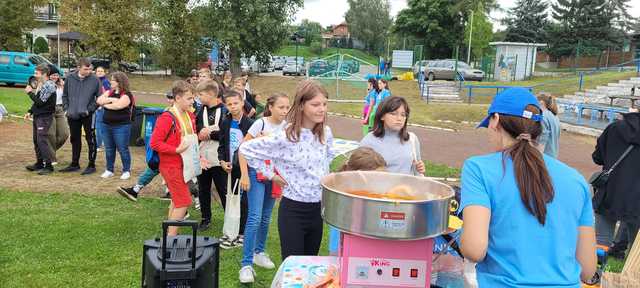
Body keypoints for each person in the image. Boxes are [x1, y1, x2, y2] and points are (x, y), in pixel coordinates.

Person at [459, 87, 597, 287]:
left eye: (488, 123)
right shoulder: (576, 180)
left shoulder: (478, 169)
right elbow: (587, 270)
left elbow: (474, 250)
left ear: (495, 120)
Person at [240, 80, 334, 262]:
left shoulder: (326, 132)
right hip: (294, 211)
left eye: (324, 104)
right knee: (293, 267)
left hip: (317, 210)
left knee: (309, 264)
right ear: (301, 105)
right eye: (315, 104)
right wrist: (271, 174)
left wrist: (324, 176)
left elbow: (329, 155)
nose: (322, 109)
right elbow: (246, 149)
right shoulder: (286, 136)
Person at [237, 93, 290, 283]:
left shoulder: (287, 127)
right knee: (255, 217)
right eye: (281, 107)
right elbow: (243, 149)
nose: (285, 111)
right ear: (271, 106)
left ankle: (259, 252)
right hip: (255, 173)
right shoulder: (259, 124)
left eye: (287, 108)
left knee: (266, 217)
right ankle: (246, 264)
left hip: (274, 175)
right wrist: (244, 174)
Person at [150, 81, 197, 236]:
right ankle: (170, 240)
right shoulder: (167, 118)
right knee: (184, 201)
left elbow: (191, 139)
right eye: (189, 98)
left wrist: (198, 157)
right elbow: (155, 143)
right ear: (177, 98)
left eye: (193, 98)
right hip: (171, 166)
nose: (192, 101)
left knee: (177, 201)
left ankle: (169, 235)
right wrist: (175, 149)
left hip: (186, 164)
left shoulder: (189, 115)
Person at [592, 107, 640, 259]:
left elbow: (597, 157)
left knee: (601, 243)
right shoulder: (614, 127)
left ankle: (595, 276)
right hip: (636, 199)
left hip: (610, 192)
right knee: (636, 251)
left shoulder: (614, 127)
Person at [326, 147, 387, 256]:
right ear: (358, 176)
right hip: (341, 248)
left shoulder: (373, 193)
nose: (379, 182)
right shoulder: (344, 192)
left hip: (366, 247)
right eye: (375, 178)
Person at [118, 91, 175, 201]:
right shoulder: (169, 111)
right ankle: (136, 190)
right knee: (155, 167)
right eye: (168, 97)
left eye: (171, 98)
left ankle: (196, 199)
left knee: (169, 170)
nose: (169, 100)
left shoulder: (178, 112)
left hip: (174, 148)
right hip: (167, 148)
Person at [217, 89, 254, 249]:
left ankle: (242, 233)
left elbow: (252, 148)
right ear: (225, 105)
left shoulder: (251, 124)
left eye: (236, 103)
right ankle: (231, 229)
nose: (233, 107)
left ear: (242, 103)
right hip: (230, 168)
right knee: (232, 198)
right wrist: (222, 161)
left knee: (244, 201)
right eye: (229, 104)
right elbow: (222, 145)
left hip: (244, 168)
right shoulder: (225, 122)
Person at [360, 96, 425, 176]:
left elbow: (417, 171)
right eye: (393, 114)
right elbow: (360, 175)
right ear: (382, 116)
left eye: (403, 115)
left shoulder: (412, 139)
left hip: (406, 188)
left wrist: (419, 168)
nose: (399, 119)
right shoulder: (368, 141)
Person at [60, 57, 101, 175]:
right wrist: (66, 109)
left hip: (88, 115)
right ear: (78, 68)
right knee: (74, 139)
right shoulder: (69, 78)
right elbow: (65, 95)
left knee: (90, 139)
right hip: (72, 114)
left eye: (90, 69)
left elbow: (99, 98)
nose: (89, 71)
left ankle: (91, 165)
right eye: (86, 69)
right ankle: (74, 163)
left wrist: (89, 110)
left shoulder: (95, 80)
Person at [195, 80, 227, 231]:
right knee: (203, 188)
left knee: (222, 188)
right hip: (203, 156)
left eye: (200, 94)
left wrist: (211, 133)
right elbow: (198, 127)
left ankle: (230, 217)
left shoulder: (225, 110)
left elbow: (225, 133)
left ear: (211, 94)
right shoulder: (201, 110)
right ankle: (205, 217)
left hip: (219, 157)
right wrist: (201, 132)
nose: (198, 97)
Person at [96, 72, 134, 180]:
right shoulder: (110, 92)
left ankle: (126, 170)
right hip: (106, 125)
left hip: (121, 127)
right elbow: (99, 100)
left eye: (113, 80)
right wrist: (111, 100)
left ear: (119, 82)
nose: (110, 81)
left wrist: (106, 104)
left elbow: (118, 106)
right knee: (109, 148)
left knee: (122, 149)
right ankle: (109, 170)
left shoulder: (127, 94)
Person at [25, 64, 57, 175]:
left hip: (45, 117)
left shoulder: (49, 85)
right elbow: (37, 102)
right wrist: (30, 111)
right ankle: (39, 163)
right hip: (38, 116)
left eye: (37, 73)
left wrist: (29, 92)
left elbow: (41, 102)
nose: (35, 75)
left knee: (41, 140)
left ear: (44, 74)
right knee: (36, 140)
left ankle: (48, 166)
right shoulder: (41, 84)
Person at [46, 67, 69, 165]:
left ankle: (47, 152)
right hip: (49, 110)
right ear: (48, 75)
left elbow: (66, 96)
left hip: (60, 109)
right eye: (52, 75)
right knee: (51, 134)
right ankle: (51, 158)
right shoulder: (45, 84)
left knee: (64, 134)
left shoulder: (62, 84)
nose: (55, 77)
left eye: (56, 75)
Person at [537, 93, 561, 158]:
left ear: (541, 103)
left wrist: (538, 158)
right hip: (553, 154)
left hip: (545, 155)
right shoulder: (554, 115)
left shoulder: (543, 117)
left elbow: (542, 140)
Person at [95, 66, 111, 151]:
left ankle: (99, 145)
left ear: (104, 73)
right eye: (98, 71)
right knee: (101, 125)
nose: (100, 72)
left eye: (101, 71)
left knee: (99, 125)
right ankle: (104, 142)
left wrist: (102, 105)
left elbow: (109, 93)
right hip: (97, 106)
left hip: (103, 107)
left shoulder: (105, 82)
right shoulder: (96, 81)